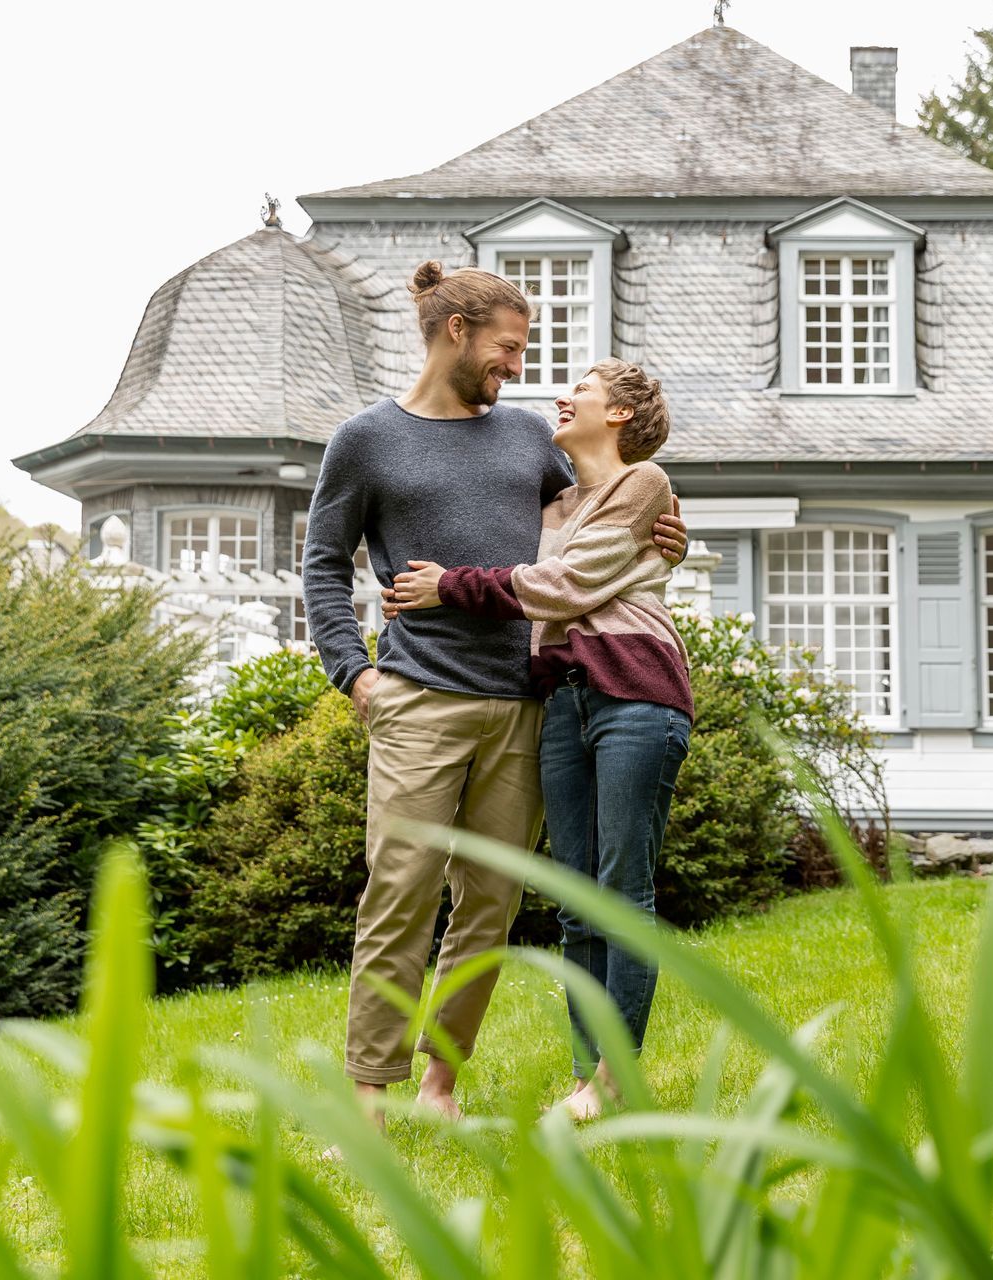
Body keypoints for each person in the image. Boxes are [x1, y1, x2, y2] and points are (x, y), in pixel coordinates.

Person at [301, 263, 687, 1126]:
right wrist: (352, 672)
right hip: (416, 695)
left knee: (489, 904)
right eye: (508, 347)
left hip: (526, 701)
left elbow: (600, 519)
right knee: (398, 889)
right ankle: (370, 1100)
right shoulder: (365, 441)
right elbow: (323, 565)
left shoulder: (525, 440)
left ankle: (439, 1090)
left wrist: (672, 534)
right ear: (456, 332)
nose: (517, 366)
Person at [388, 359, 692, 1121]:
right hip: (562, 701)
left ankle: (615, 1078)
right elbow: (518, 555)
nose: (563, 396)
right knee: (576, 899)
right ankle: (590, 1075)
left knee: (623, 889)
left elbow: (563, 588)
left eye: (581, 390)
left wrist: (448, 585)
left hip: (635, 694)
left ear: (619, 414)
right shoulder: (555, 506)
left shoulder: (644, 484)